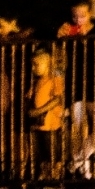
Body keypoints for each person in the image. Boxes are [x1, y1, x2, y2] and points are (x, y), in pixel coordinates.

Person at [28, 48, 65, 180]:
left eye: (36, 64)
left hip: (51, 124)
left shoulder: (55, 78)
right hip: (38, 124)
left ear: (47, 63)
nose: (33, 68)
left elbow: (57, 99)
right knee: (41, 153)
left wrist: (39, 110)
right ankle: (45, 176)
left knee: (53, 153)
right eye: (32, 64)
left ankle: (56, 178)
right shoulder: (37, 81)